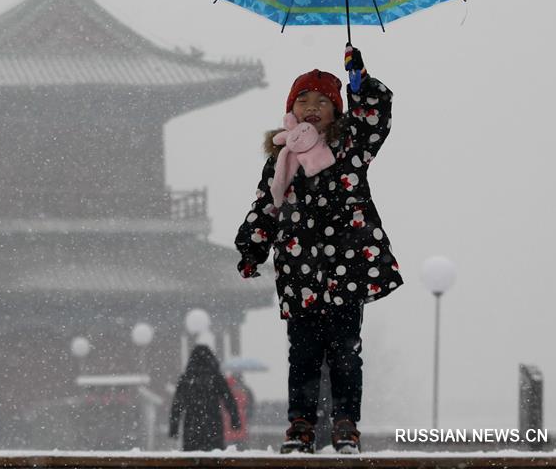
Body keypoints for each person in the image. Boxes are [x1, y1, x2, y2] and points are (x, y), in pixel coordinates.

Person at [234, 44, 403, 454]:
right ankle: (301, 424)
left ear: (336, 111)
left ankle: (346, 423)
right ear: (291, 108)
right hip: (300, 271)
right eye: (303, 100)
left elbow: (375, 119)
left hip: (346, 265)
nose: (312, 107)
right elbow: (266, 206)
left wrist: (360, 82)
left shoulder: (350, 149)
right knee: (304, 353)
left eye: (323, 101)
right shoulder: (281, 158)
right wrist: (252, 249)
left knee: (346, 350)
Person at [169, 344, 241, 451]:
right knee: (215, 458)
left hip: (192, 426)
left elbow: (177, 405)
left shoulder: (186, 379)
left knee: (192, 459)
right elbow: (228, 399)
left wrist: (174, 428)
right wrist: (235, 421)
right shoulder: (216, 377)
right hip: (213, 424)